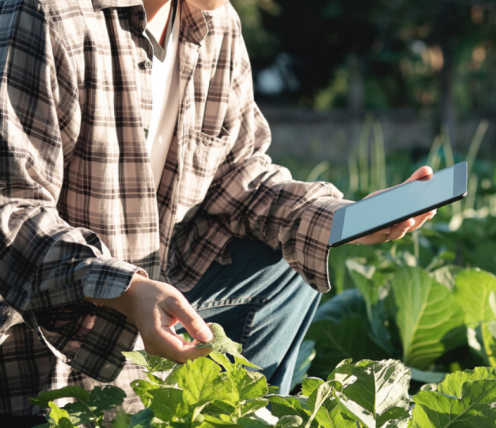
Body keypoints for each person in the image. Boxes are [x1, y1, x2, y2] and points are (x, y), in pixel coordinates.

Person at [0, 0, 435, 423]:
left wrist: (347, 219)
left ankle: (235, 414)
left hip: (158, 306)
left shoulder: (217, 24)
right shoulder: (45, 14)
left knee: (287, 268)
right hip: (50, 347)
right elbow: (10, 210)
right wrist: (127, 290)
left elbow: (241, 177)